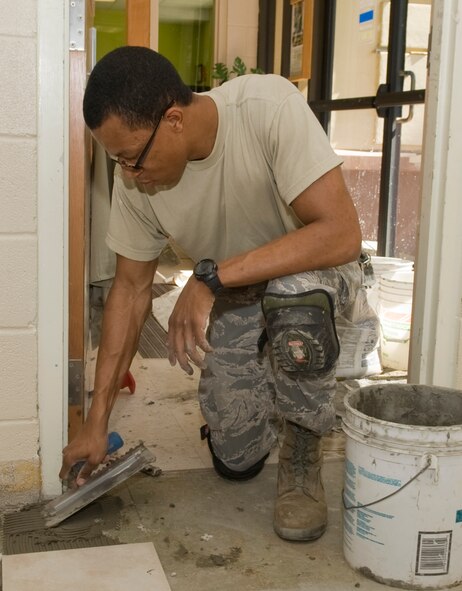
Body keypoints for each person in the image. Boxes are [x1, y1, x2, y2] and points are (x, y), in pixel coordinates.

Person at [60, 46, 379, 542]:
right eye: (116, 160)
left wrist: (209, 277)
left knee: (294, 298)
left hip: (319, 282)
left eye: (131, 158)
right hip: (239, 290)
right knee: (236, 461)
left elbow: (340, 233)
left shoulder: (266, 109)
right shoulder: (138, 184)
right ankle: (274, 388)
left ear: (173, 120)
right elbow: (130, 289)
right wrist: (95, 419)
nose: (127, 174)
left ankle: (302, 443)